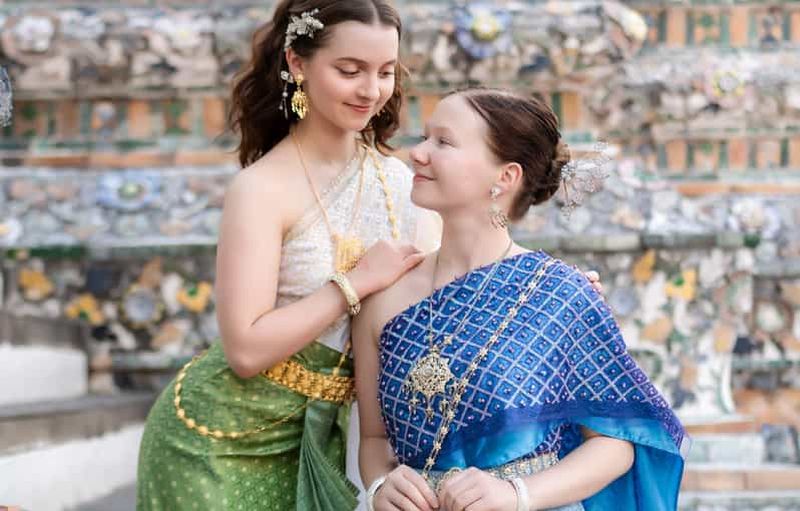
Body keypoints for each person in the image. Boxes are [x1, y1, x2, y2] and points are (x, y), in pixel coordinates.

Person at [136, 2, 604, 508]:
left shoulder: (405, 182)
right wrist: (353, 285)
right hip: (219, 440)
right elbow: (245, 351)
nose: (371, 90)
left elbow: (451, 293)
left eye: (385, 72)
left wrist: (552, 291)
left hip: (332, 436)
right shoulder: (260, 189)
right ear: (297, 63)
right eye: (349, 70)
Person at [354, 89, 688, 511]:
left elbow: (614, 443)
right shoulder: (384, 298)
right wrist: (381, 485)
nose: (418, 153)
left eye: (444, 142)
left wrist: (515, 494)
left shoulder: (561, 294)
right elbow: (374, 438)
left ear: (505, 177)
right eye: (424, 137)